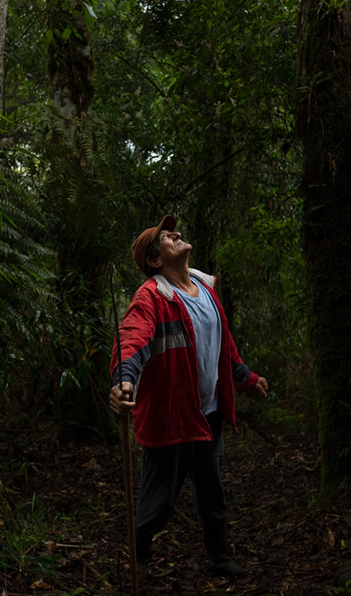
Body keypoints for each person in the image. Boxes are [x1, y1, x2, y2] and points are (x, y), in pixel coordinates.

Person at [110, 214, 269, 578]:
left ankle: (220, 558)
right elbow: (131, 339)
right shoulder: (150, 297)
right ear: (155, 260)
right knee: (159, 499)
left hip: (207, 413)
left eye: (174, 231)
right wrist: (124, 380)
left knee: (212, 490)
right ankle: (139, 561)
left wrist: (246, 379)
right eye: (167, 236)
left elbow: (222, 347)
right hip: (172, 415)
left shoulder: (205, 286)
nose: (176, 234)